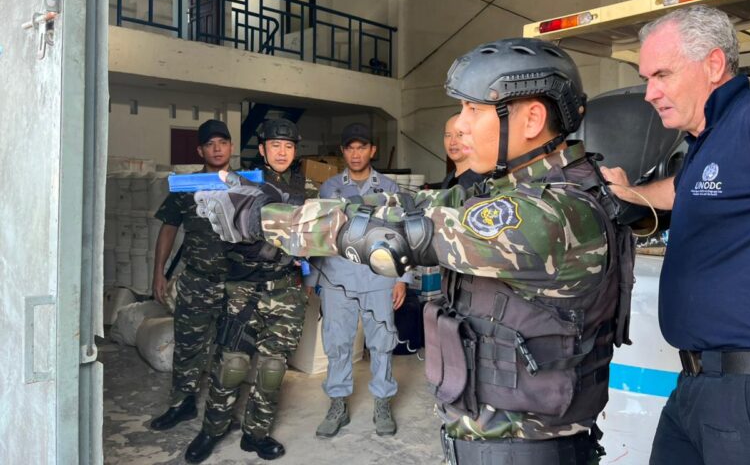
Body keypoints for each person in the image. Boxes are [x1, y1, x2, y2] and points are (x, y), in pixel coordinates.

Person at [195, 38, 632, 464]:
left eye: (473, 109)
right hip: (497, 440)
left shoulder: (549, 213)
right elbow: (402, 207)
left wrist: (259, 220)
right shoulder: (516, 192)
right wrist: (284, 204)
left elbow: (395, 237)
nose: (459, 125)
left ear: (532, 119)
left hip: (527, 449)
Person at [600, 5, 750, 464]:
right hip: (696, 383)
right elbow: (681, 190)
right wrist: (627, 192)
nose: (650, 93)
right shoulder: (707, 142)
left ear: (713, 65)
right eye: (646, 78)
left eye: (662, 74)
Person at [185, 119, 311, 463]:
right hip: (244, 288)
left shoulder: (306, 189)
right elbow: (220, 231)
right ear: (262, 150)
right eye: (275, 146)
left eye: (288, 146)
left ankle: (256, 434)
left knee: (272, 371)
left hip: (285, 292)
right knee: (232, 366)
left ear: (295, 151)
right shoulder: (241, 183)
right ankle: (212, 430)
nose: (282, 152)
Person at [308, 122, 412, 438]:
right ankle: (338, 404)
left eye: (362, 147)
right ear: (343, 152)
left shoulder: (390, 190)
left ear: (372, 151)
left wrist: (402, 278)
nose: (356, 153)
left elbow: (401, 235)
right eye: (350, 148)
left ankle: (382, 402)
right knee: (337, 342)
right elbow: (320, 236)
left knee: (382, 341)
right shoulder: (329, 188)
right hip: (337, 277)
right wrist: (314, 278)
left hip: (378, 276)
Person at [149, 119, 233, 431]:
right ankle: (181, 405)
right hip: (197, 280)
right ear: (200, 150)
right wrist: (160, 273)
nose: (217, 148)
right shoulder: (185, 186)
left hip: (236, 284)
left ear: (231, 147)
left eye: (222, 142)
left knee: (231, 350)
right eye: (210, 143)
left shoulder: (245, 185)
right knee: (188, 346)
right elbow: (168, 228)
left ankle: (223, 412)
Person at [440, 113, 485, 190]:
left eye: (460, 135)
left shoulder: (482, 181)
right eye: (448, 135)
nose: (452, 142)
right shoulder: (449, 179)